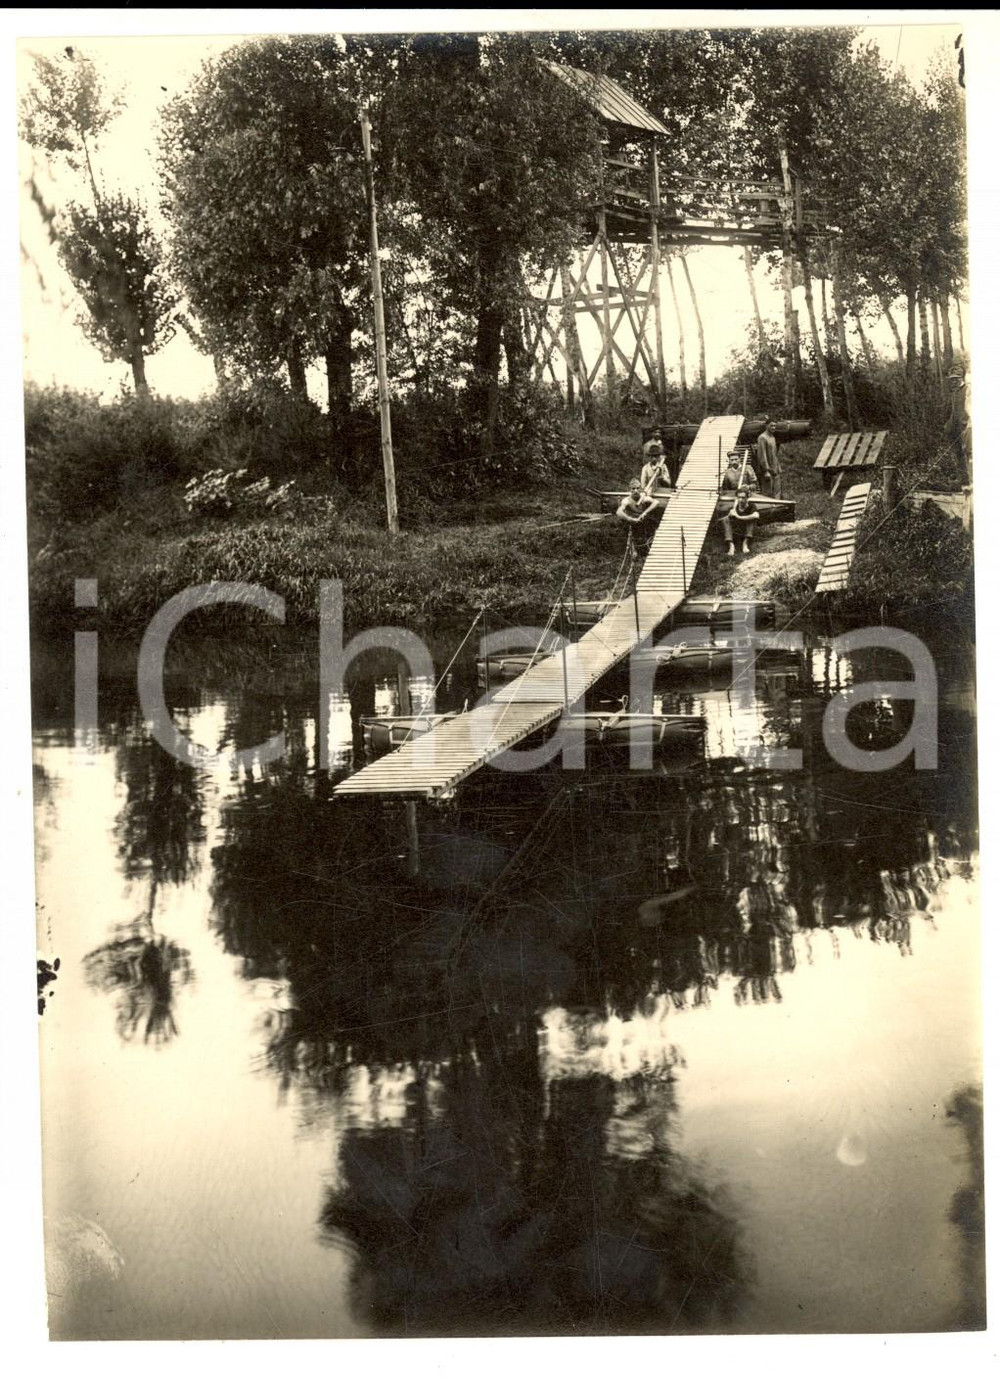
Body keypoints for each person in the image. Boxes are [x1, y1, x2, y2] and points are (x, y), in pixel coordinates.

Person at [616, 478, 660, 557]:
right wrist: (630, 519)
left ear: (640, 489)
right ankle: (632, 548)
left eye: (637, 488)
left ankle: (652, 544)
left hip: (641, 520)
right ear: (630, 490)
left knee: (654, 522)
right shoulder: (627, 500)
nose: (636, 490)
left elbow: (656, 502)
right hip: (631, 522)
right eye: (633, 489)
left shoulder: (643, 497)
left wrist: (644, 513)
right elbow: (618, 512)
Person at [721, 485, 760, 556]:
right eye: (739, 498)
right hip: (737, 529)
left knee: (751, 519)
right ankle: (731, 545)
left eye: (743, 498)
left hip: (747, 529)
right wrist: (730, 515)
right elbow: (727, 519)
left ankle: (745, 544)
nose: (741, 500)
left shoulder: (751, 506)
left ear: (747, 498)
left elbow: (756, 515)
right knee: (725, 519)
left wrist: (738, 517)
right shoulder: (734, 507)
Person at [755, 418, 779, 496]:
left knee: (776, 491)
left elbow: (774, 454)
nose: (773, 428)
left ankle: (776, 506)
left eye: (775, 426)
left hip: (775, 469)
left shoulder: (772, 437)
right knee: (767, 492)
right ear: (766, 426)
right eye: (771, 425)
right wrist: (766, 471)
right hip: (767, 470)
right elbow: (762, 455)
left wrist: (778, 467)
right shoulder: (762, 437)